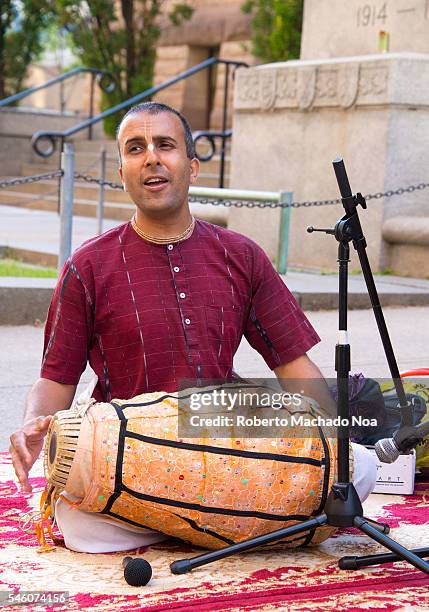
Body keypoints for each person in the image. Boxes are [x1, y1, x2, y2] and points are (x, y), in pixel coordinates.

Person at [9, 102, 376, 553]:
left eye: (166, 145)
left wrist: (332, 438)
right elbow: (56, 378)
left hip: (230, 444)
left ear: (193, 167)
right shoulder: (87, 266)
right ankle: (220, 524)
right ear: (122, 173)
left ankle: (180, 523)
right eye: (135, 149)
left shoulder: (241, 256)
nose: (151, 159)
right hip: (134, 455)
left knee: (360, 467)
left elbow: (293, 363)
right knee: (77, 517)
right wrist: (32, 426)